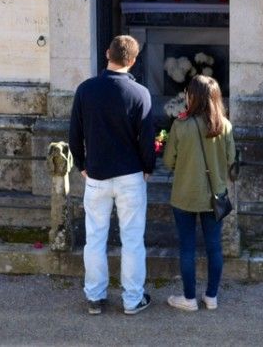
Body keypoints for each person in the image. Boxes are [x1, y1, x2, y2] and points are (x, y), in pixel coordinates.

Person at [69, 35, 155, 316]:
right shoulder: (140, 93)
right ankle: (132, 299)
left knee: (95, 237)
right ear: (132, 61)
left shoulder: (86, 90)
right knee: (132, 239)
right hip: (130, 173)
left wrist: (82, 163)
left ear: (108, 53)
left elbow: (75, 135)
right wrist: (148, 167)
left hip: (97, 173)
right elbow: (146, 138)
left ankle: (95, 297)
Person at [162, 74, 235, 311]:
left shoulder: (181, 125)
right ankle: (212, 296)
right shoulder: (224, 125)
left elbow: (168, 161)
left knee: (187, 247)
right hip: (215, 195)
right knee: (214, 246)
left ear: (192, 96)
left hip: (184, 194)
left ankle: (189, 298)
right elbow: (231, 159)